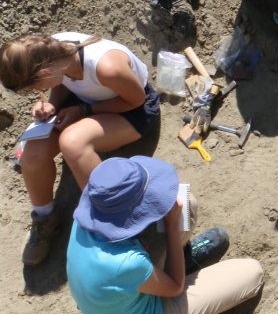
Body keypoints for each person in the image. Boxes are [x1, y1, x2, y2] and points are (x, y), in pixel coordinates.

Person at [66, 156, 263, 314]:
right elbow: (175, 287)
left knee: (186, 204)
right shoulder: (126, 263)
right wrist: (170, 227)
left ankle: (181, 262)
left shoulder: (89, 215)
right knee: (252, 272)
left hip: (123, 292)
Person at [0, 32, 161, 266]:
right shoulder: (53, 52)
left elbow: (135, 100)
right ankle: (45, 217)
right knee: (31, 155)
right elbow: (64, 82)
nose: (37, 93)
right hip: (85, 100)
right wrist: (52, 104)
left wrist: (83, 111)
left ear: (44, 73)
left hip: (130, 110)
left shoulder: (106, 67)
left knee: (73, 143)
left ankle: (111, 219)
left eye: (35, 87)